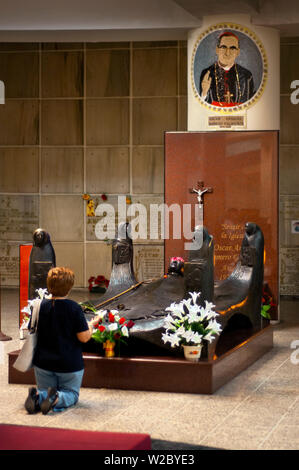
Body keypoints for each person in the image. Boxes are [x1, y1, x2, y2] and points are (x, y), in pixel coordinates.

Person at [24, 267, 99, 415]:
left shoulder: (38, 306)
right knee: (71, 394)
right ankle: (56, 397)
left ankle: (38, 397)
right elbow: (83, 337)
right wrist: (91, 325)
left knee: (44, 389)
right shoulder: (74, 308)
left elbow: (32, 329)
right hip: (68, 364)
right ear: (69, 287)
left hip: (42, 363)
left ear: (49, 284)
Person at [199, 31, 255, 107]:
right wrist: (204, 93)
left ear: (238, 52)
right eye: (223, 47)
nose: (227, 53)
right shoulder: (207, 74)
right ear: (217, 49)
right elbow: (201, 105)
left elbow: (251, 104)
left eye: (232, 48)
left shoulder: (246, 76)